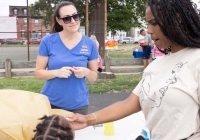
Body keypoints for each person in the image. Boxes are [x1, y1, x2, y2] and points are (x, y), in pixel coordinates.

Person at [64, 0, 200, 140]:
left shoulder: (196, 60)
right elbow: (129, 104)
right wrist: (88, 120)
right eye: (148, 23)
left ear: (177, 20)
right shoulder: (156, 65)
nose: (149, 30)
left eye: (154, 23)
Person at [35, 1, 98, 115]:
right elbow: (38, 73)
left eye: (75, 16)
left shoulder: (90, 43)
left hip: (79, 105)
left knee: (77, 133)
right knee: (50, 133)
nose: (73, 21)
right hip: (51, 103)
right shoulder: (48, 41)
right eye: (67, 18)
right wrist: (56, 73)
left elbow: (93, 77)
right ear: (59, 21)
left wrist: (86, 71)